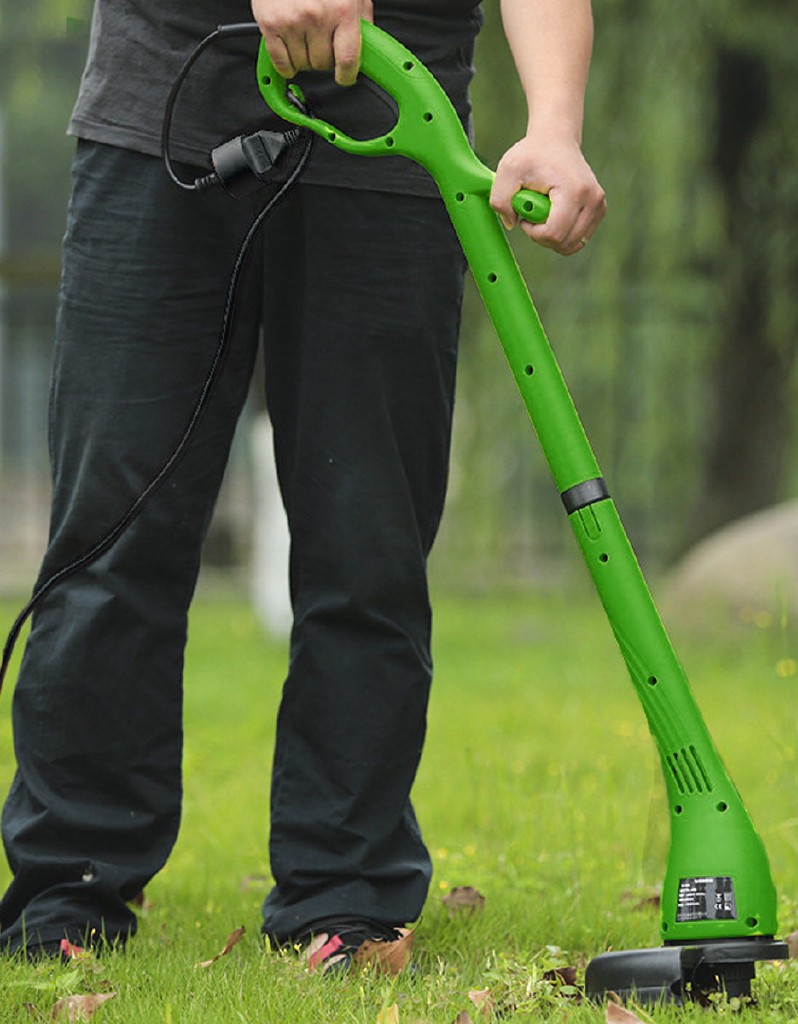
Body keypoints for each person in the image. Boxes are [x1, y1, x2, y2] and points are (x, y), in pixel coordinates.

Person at [0, 0, 605, 966]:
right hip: (168, 89)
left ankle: (347, 894)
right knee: (115, 528)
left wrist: (556, 125)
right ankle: (67, 894)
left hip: (400, 110)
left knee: (369, 543)